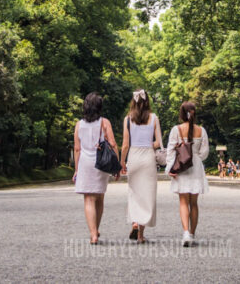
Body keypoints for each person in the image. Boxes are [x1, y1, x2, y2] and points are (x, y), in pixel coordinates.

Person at [119, 89, 164, 243]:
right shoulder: (154, 118)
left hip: (134, 156)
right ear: (147, 101)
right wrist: (149, 143)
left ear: (133, 101)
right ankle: (140, 235)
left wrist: (122, 162)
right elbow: (158, 143)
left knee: (134, 193)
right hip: (148, 157)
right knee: (147, 194)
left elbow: (125, 145)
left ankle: (135, 223)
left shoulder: (127, 119)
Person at [72, 92, 118, 244]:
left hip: (85, 162)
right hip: (101, 163)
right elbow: (112, 144)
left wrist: (77, 170)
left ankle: (93, 234)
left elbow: (77, 149)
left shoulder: (79, 124)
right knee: (99, 198)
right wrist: (116, 166)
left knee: (88, 199)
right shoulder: (105, 122)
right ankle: (95, 229)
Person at [165, 101, 209, 247]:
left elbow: (170, 151)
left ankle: (185, 233)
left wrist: (171, 168)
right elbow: (205, 152)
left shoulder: (176, 130)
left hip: (182, 166)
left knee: (183, 201)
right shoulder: (201, 131)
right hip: (195, 166)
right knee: (194, 203)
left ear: (182, 114)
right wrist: (195, 157)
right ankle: (192, 233)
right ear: (194, 113)